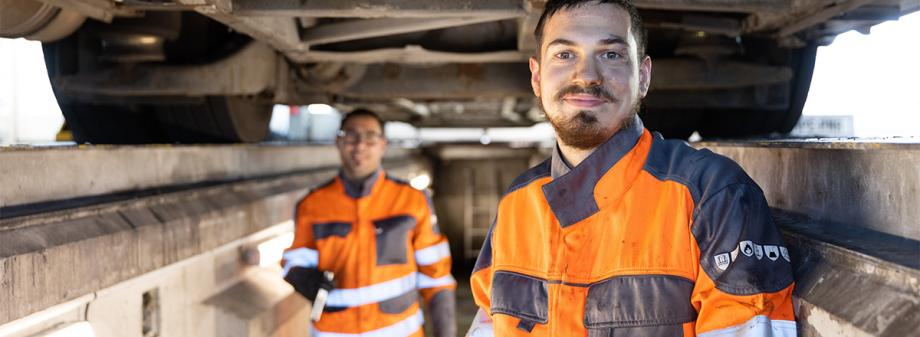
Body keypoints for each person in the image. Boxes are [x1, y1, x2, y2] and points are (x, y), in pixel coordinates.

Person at [468, 1, 797, 336]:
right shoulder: (515, 204)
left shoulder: (712, 195)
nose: (587, 76)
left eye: (611, 54)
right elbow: (487, 325)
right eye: (565, 55)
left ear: (643, 76)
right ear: (537, 77)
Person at [283, 109, 456, 337]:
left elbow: (437, 278)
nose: (360, 146)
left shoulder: (413, 201)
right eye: (351, 136)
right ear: (339, 142)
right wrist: (299, 275)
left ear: (383, 145)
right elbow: (295, 260)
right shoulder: (312, 205)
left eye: (370, 137)